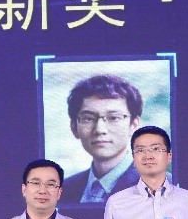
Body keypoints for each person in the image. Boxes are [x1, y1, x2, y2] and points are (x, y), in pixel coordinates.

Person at [60, 75, 144, 204]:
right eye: (88, 118)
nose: (100, 130)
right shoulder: (64, 191)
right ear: (74, 127)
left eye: (114, 118)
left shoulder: (161, 186)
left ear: (133, 125)